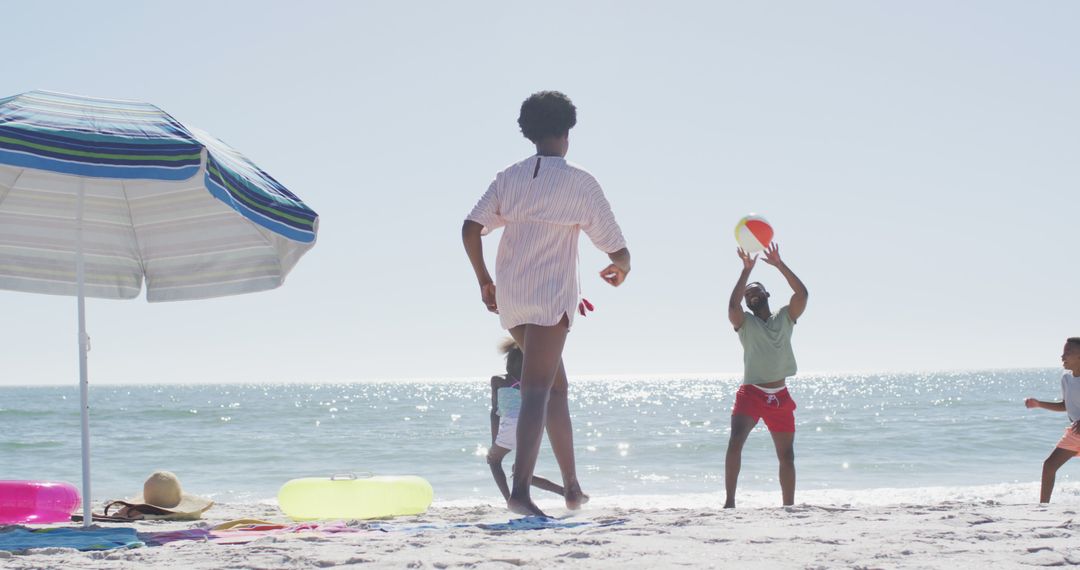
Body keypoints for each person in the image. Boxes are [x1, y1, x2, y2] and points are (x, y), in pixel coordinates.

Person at [462, 90, 631, 517]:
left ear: (530, 132)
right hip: (550, 297)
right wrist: (620, 267)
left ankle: (572, 487)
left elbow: (470, 228)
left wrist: (484, 280)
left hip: (512, 297)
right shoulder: (580, 183)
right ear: (567, 132)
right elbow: (617, 249)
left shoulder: (510, 178)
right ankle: (520, 492)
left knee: (556, 387)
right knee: (538, 389)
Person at [724, 243, 808, 508]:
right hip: (751, 394)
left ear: (766, 293)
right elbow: (732, 305)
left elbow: (802, 294)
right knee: (735, 442)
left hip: (780, 397)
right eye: (748, 294)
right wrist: (746, 272)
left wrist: (779, 264)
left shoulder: (784, 317)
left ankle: (789, 506)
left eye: (755, 290)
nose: (751, 295)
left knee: (787, 455)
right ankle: (730, 502)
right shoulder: (744, 323)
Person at [487, 338, 569, 502]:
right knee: (522, 471)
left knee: (493, 460)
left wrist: (495, 440)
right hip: (531, 428)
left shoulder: (497, 380)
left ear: (508, 362)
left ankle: (509, 499)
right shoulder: (533, 384)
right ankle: (566, 492)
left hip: (510, 429)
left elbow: (495, 413)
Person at [1024, 337, 1080, 503]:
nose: (1062, 357)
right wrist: (1039, 404)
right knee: (1049, 466)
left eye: (1068, 353)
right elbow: (1066, 405)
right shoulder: (1066, 379)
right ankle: (1043, 507)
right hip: (1075, 432)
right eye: (1063, 353)